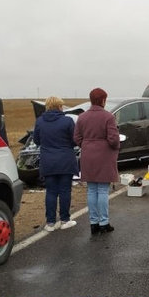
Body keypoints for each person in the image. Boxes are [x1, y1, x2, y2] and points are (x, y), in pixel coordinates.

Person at [74, 88, 120, 234]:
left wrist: (86, 145)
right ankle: (104, 222)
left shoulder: (82, 117)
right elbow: (113, 139)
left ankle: (93, 222)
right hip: (104, 156)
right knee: (102, 190)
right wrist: (115, 146)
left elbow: (76, 138)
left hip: (88, 155)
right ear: (103, 100)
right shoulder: (108, 117)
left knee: (92, 190)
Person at [33, 96, 79, 232]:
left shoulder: (40, 121)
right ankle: (65, 220)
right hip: (65, 160)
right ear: (60, 106)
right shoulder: (68, 121)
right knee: (65, 190)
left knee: (51, 191)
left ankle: (50, 223)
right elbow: (75, 140)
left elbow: (36, 140)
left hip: (48, 161)